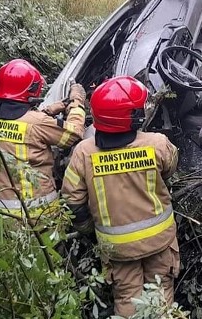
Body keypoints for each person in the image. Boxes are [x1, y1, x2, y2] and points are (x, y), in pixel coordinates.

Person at [61, 76, 180, 317]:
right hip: (159, 242)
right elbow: (170, 169)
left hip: (116, 249)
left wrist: (87, 230)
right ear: (131, 117)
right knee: (161, 297)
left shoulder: (83, 152)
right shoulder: (157, 144)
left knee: (127, 300)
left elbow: (72, 201)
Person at [0, 59, 87, 221]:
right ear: (30, 89)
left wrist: (48, 111)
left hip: (1, 213)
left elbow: (21, 121)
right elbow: (74, 134)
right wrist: (77, 103)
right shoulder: (37, 123)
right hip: (38, 213)